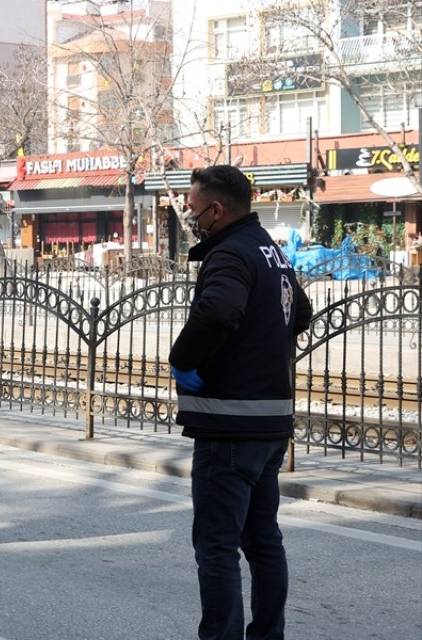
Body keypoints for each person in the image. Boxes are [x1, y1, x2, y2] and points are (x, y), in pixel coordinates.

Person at [169, 165, 312, 640]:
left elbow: (218, 310)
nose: (190, 215)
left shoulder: (230, 253)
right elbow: (302, 311)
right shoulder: (268, 250)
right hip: (271, 423)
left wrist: (182, 358)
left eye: (193, 207)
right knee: (264, 541)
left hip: (230, 426)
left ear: (217, 208)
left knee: (217, 547)